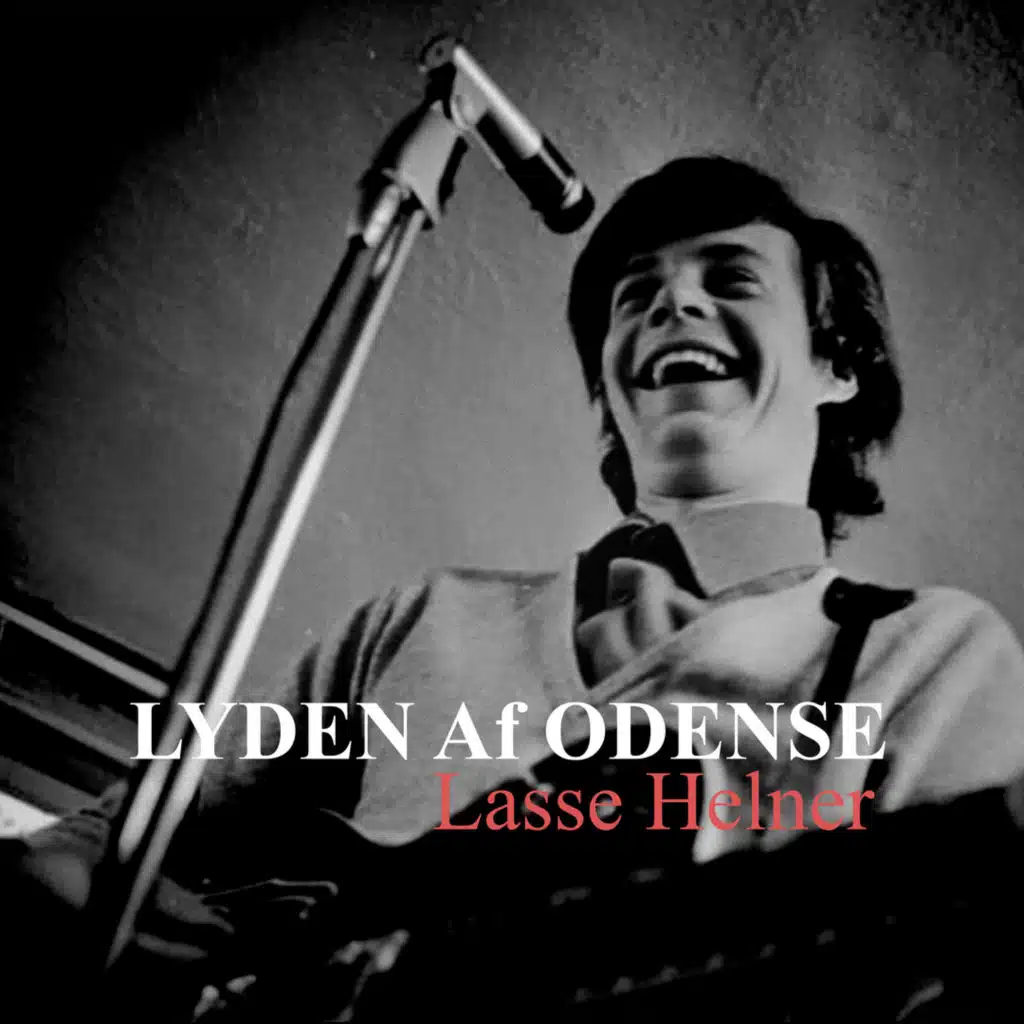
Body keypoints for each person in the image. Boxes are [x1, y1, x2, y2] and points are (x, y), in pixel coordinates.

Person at [7, 156, 1024, 1021]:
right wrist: (60, 879)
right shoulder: (418, 619)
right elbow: (110, 835)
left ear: (837, 363)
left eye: (731, 277)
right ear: (609, 393)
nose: (672, 303)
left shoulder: (926, 650)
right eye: (634, 293)